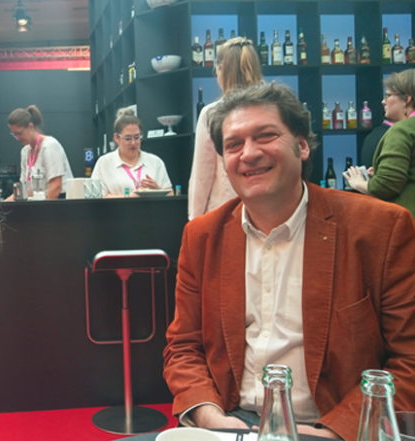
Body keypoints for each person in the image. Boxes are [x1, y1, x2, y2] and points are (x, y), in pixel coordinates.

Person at [163, 82, 415, 441]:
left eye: (265, 136)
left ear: (302, 145)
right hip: (231, 421)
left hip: (333, 425)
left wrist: (336, 431)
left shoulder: (380, 229)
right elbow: (183, 346)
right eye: (234, 144)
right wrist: (209, 416)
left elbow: (409, 359)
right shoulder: (202, 236)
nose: (249, 153)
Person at [188, 37, 264, 219]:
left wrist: (194, 222)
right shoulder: (273, 110)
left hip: (226, 215)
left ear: (221, 70)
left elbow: (202, 177)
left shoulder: (212, 114)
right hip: (268, 212)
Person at [345, 68, 415, 217]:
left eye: (388, 95)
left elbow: (386, 187)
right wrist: (380, 173)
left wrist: (358, 182)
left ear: (407, 99)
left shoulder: (402, 130)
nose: (383, 101)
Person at [91, 107, 172, 197]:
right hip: (116, 207)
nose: (133, 143)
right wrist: (128, 198)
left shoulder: (155, 162)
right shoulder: (104, 163)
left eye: (137, 137)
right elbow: (96, 196)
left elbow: (171, 194)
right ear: (116, 138)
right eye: (128, 138)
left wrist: (158, 190)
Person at [6, 104, 74, 199]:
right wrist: (2, 205)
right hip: (38, 201)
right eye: (14, 134)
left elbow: (56, 186)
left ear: (30, 126)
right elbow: (23, 190)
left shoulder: (50, 146)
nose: (17, 138)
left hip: (58, 201)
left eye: (19, 133)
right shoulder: (25, 151)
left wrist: (42, 208)